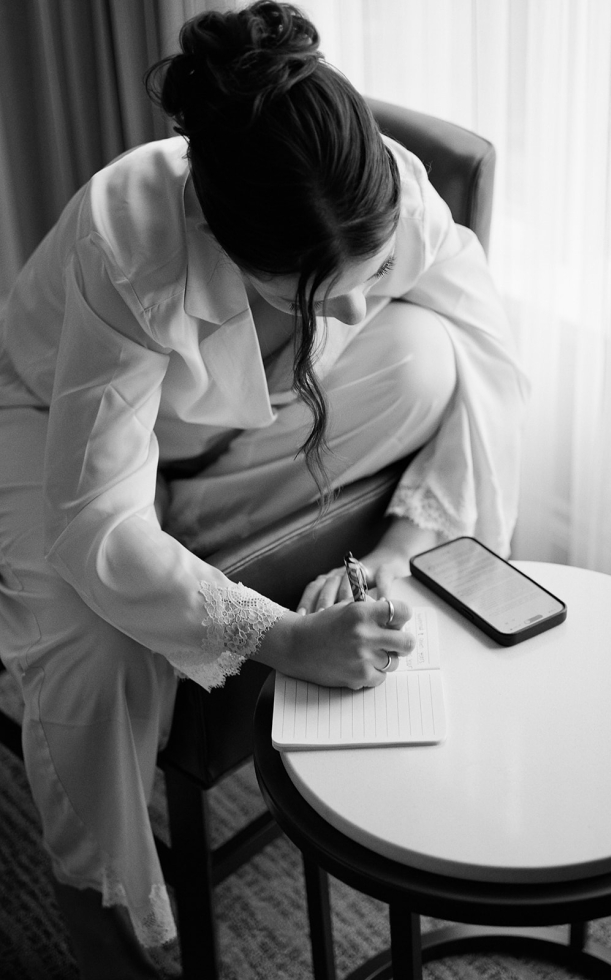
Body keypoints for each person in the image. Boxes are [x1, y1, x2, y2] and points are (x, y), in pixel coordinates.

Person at [0, 3, 524, 975]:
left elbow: (489, 356)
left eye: (372, 273)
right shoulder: (131, 241)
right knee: (94, 643)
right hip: (46, 428)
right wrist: (277, 635)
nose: (361, 303)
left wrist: (397, 551)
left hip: (222, 445)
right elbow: (92, 519)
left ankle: (191, 552)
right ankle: (100, 905)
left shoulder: (377, 191)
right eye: (329, 292)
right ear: (239, 252)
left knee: (433, 356)